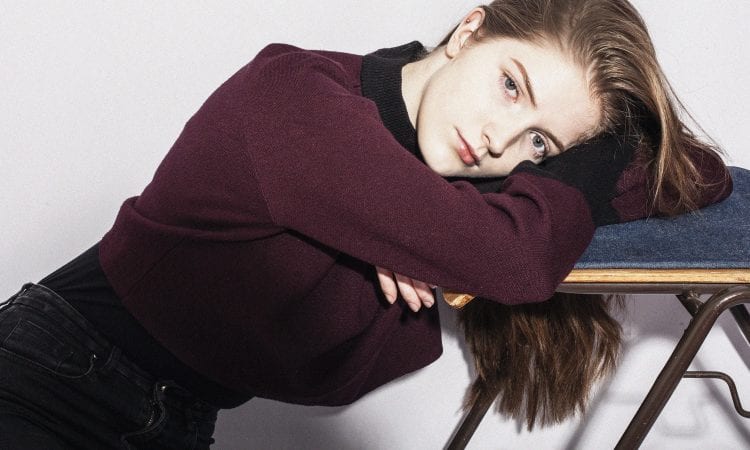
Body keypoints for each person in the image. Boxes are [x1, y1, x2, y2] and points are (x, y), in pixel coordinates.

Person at [0, 0, 732, 448]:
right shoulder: (296, 101)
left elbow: (699, 173)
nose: (499, 139)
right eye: (511, 85)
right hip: (51, 379)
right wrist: (425, 224)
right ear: (469, 31)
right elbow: (516, 260)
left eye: (538, 143)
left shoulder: (443, 185)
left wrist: (589, 141)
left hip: (171, 421)